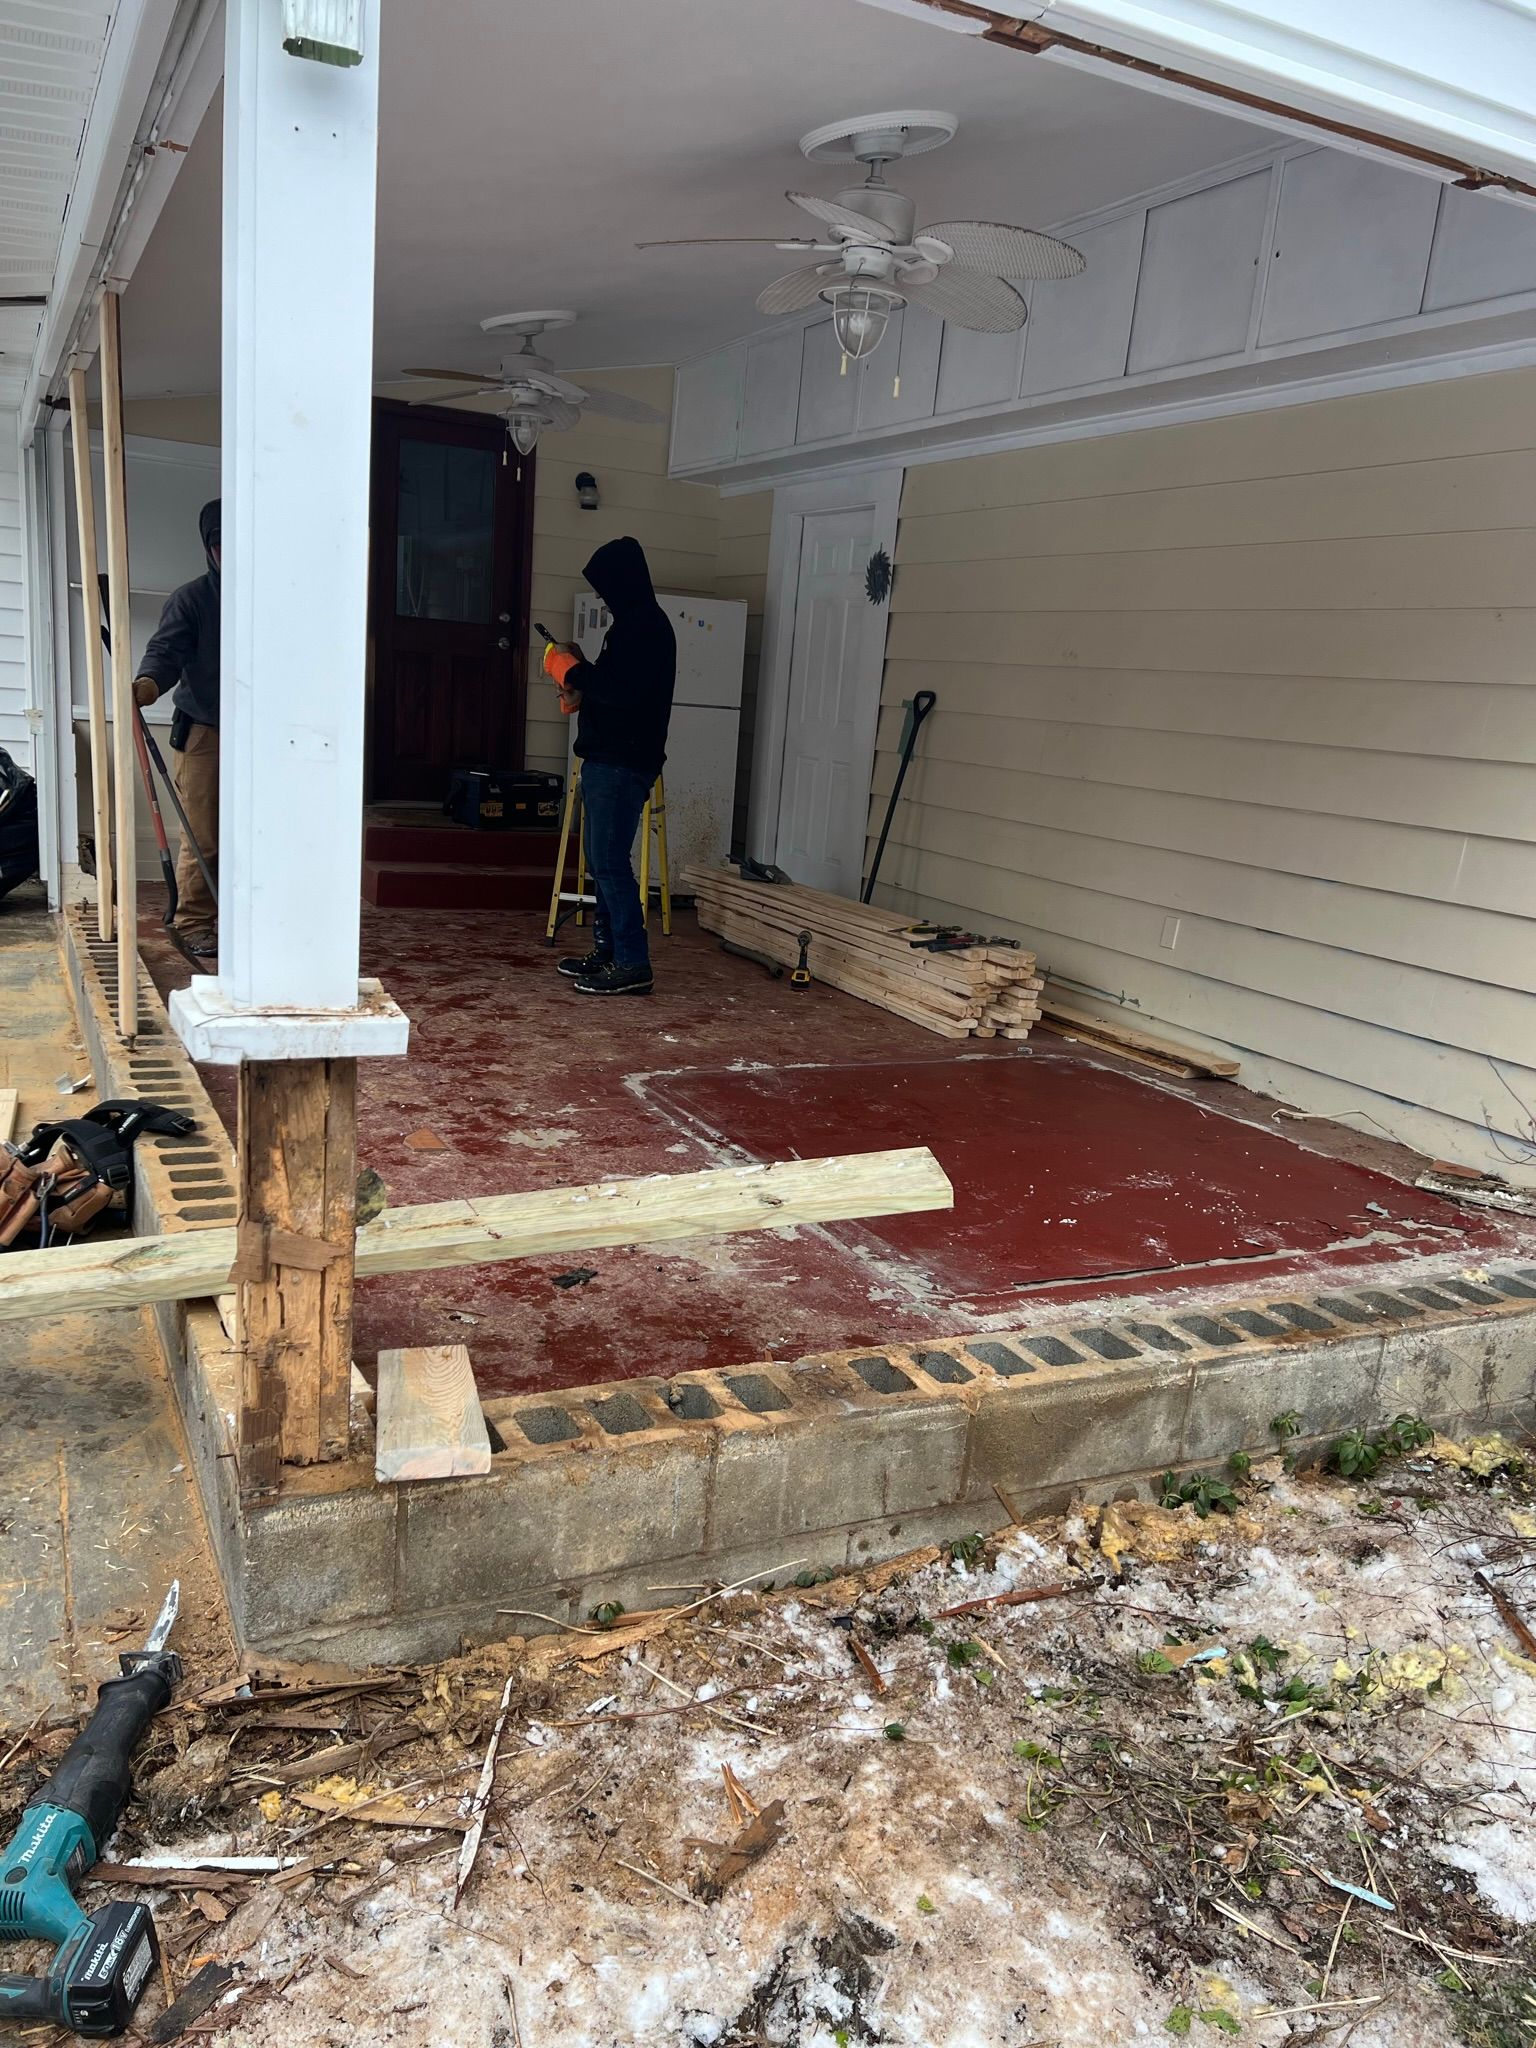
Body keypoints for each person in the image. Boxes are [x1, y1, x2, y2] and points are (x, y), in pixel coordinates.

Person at [546, 536, 676, 995]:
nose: (602, 597)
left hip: (622, 763)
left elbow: (621, 691)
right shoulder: (632, 626)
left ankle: (632, 962)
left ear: (623, 582)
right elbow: (618, 693)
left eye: (604, 588)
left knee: (609, 861)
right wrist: (580, 686)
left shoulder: (644, 628)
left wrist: (571, 671)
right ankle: (608, 951)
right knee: (601, 861)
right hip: (610, 758)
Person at [133, 499, 221, 959]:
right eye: (219, 544)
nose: (228, 553)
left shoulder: (271, 596)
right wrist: (147, 684)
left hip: (263, 738)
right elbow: (165, 653)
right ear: (209, 549)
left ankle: (251, 918)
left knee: (259, 834)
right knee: (204, 835)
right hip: (205, 733)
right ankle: (194, 923)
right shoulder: (192, 599)